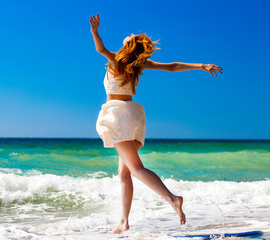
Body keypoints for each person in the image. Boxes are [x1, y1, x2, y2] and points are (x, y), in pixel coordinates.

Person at [90, 14, 222, 234]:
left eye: (132, 36)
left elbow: (100, 50)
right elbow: (172, 66)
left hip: (118, 115)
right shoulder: (140, 65)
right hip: (133, 117)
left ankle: (173, 199)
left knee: (135, 168)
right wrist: (201, 65)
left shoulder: (117, 60)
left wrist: (95, 32)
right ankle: (123, 221)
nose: (130, 33)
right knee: (124, 172)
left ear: (129, 46)